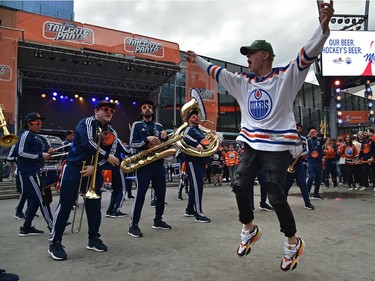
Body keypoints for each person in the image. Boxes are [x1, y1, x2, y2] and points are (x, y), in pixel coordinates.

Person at [185, 0, 334, 271]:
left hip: (277, 146)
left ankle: (292, 242)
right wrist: (197, 61)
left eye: (251, 53)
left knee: (276, 194)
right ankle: (249, 228)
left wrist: (322, 27)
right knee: (240, 185)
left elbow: (308, 53)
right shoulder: (243, 83)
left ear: (265, 55)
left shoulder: (285, 77)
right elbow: (218, 73)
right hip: (252, 144)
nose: (247, 58)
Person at [48, 100, 120, 260]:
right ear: (96, 111)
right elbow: (89, 143)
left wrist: (95, 167)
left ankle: (93, 238)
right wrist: (107, 156)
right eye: (105, 109)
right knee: (66, 205)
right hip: (74, 167)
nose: (109, 112)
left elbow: (114, 153)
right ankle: (55, 242)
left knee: (94, 208)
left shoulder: (112, 130)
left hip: (94, 171)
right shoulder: (86, 122)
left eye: (112, 111)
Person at [128, 99, 172, 238]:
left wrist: (165, 139)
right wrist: (146, 139)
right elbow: (132, 144)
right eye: (144, 107)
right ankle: (133, 225)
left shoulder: (159, 126)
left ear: (153, 110)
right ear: (141, 111)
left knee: (161, 193)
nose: (147, 109)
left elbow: (164, 145)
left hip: (158, 163)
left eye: (150, 107)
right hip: (143, 164)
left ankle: (158, 220)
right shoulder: (136, 125)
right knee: (140, 194)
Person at [16, 112, 55, 236]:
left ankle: (26, 228)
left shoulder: (33, 135)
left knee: (34, 201)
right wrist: (40, 155)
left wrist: (46, 152)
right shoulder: (26, 134)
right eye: (37, 123)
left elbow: (33, 152)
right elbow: (21, 152)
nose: (40, 126)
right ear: (29, 123)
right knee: (42, 199)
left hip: (35, 171)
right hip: (30, 173)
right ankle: (52, 225)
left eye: (41, 123)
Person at [183, 108, 211, 223]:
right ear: (189, 119)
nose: (196, 117)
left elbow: (207, 141)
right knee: (197, 186)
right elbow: (184, 136)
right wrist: (197, 143)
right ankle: (198, 213)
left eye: (197, 116)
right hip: (192, 160)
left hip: (200, 160)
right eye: (193, 116)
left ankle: (190, 209)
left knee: (196, 186)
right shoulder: (189, 129)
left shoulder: (200, 130)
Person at [284, 122, 315, 210]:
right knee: (286, 185)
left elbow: (306, 151)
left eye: (297, 128)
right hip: (289, 163)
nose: (296, 129)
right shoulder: (287, 138)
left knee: (303, 184)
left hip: (298, 163)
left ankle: (307, 203)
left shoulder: (303, 139)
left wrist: (299, 155)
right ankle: (283, 203)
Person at [306, 127, 324, 200]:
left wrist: (322, 131)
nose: (313, 133)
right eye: (312, 132)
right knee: (311, 177)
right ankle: (307, 192)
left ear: (317, 133)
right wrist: (308, 135)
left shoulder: (319, 140)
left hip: (318, 160)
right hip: (311, 160)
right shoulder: (308, 140)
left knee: (318, 177)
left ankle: (316, 193)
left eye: (314, 132)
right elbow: (303, 142)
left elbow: (324, 139)